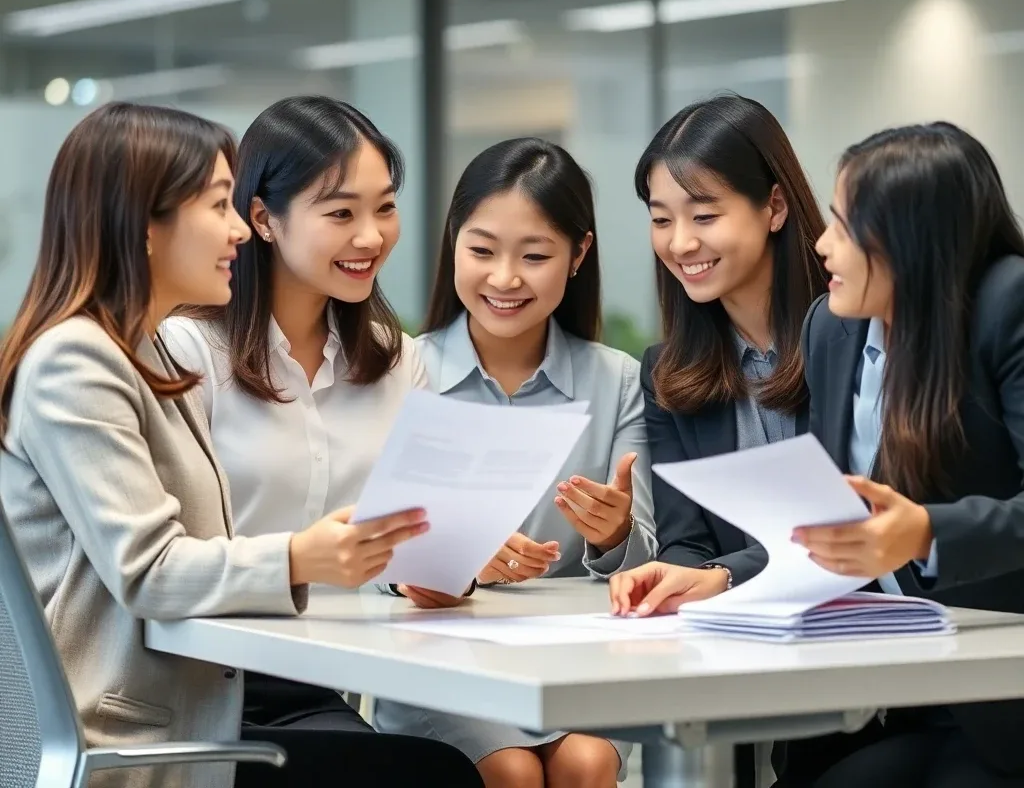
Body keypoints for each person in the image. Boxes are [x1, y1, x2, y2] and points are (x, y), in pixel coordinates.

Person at [0, 102, 429, 788]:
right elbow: (150, 570)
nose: (238, 230)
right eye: (219, 205)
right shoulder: (75, 362)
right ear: (143, 225)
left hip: (195, 707)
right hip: (127, 731)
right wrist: (300, 556)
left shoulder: (140, 353)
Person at [160, 95, 482, 788]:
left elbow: (409, 546)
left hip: (314, 684)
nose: (371, 236)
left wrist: (446, 564)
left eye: (385, 208)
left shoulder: (399, 362)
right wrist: (307, 559)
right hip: (194, 685)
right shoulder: (186, 352)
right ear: (262, 219)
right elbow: (160, 557)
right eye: (340, 214)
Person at [374, 137, 658, 788]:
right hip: (442, 662)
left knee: (585, 763)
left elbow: (648, 567)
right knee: (510, 773)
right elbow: (365, 556)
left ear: (578, 254)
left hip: (576, 658)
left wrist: (614, 535)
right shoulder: (400, 372)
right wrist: (440, 566)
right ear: (453, 244)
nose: (505, 279)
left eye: (535, 256)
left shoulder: (617, 382)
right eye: (481, 251)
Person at [773, 122, 1024, 788]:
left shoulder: (1008, 304)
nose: (822, 246)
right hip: (892, 689)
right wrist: (716, 576)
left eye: (842, 226)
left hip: (1001, 697)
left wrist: (926, 534)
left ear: (910, 240)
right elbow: (832, 512)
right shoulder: (830, 326)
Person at [606, 94, 828, 788]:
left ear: (774, 208)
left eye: (704, 215)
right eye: (661, 218)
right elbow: (686, 540)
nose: (680, 243)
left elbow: (838, 531)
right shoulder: (669, 369)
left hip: (856, 654)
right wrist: (666, 576)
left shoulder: (850, 340)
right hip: (738, 660)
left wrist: (722, 578)